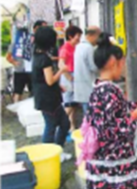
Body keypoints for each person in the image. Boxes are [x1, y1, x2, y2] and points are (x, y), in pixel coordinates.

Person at [84, 33, 137, 189]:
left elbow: (116, 113)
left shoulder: (101, 87)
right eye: (122, 62)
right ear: (111, 62)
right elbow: (113, 129)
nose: (123, 67)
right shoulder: (109, 90)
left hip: (106, 154)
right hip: (113, 156)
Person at [31, 26, 71, 161]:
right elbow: (49, 80)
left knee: (64, 123)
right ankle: (48, 155)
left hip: (46, 97)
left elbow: (43, 79)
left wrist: (58, 87)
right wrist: (62, 70)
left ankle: (57, 151)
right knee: (52, 126)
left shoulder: (37, 54)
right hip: (48, 100)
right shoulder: (44, 59)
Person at [6, 20, 47, 102]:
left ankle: (31, 109)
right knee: (18, 91)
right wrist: (14, 62)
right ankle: (18, 110)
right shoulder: (16, 43)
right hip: (20, 70)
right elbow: (8, 56)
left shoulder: (35, 41)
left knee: (33, 91)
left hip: (32, 69)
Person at [59, 26, 83, 133]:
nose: (79, 39)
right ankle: (60, 124)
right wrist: (69, 77)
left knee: (73, 104)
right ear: (70, 36)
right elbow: (61, 64)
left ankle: (71, 127)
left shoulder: (76, 47)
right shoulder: (65, 48)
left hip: (74, 76)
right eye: (78, 36)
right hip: (68, 77)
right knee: (69, 103)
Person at [73, 26, 101, 115]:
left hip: (80, 87)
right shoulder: (89, 48)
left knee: (87, 115)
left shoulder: (78, 47)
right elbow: (93, 67)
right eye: (99, 36)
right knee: (91, 116)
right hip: (88, 87)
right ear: (93, 35)